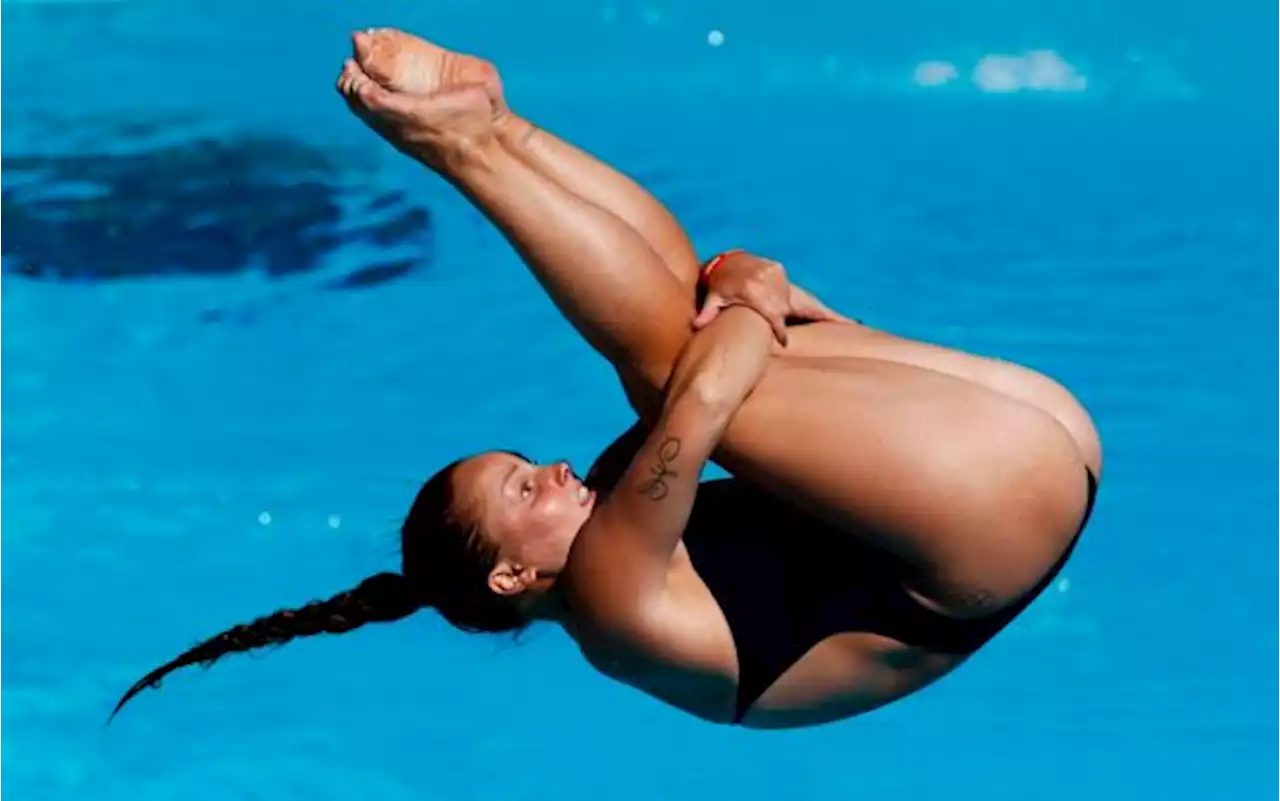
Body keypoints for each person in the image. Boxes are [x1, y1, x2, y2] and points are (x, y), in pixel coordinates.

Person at [110, 29, 1103, 730]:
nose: (547, 469)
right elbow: (703, 393)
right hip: (988, 517)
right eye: (519, 490)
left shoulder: (615, 523)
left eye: (522, 464)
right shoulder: (613, 604)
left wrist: (747, 298)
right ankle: (472, 147)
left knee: (678, 332)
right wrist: (753, 291)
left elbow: (711, 356)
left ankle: (494, 128)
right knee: (668, 366)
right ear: (510, 576)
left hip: (1011, 480)